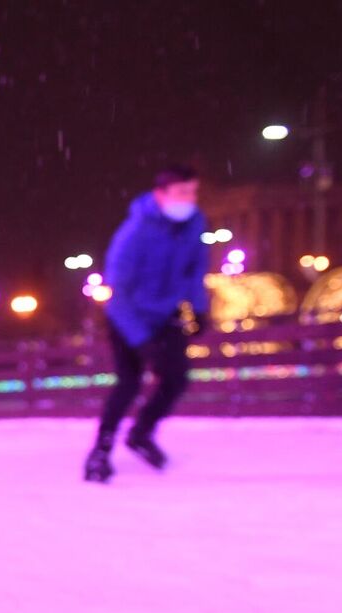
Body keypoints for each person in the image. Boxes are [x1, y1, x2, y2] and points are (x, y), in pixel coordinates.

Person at [86, 165, 212, 483]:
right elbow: (118, 294)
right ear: (161, 195)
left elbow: (194, 272)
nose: (189, 199)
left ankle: (141, 433)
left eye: (193, 191)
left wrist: (199, 308)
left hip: (166, 315)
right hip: (127, 316)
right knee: (129, 382)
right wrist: (141, 340)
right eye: (182, 192)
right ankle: (100, 451)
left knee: (177, 379)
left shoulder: (194, 226)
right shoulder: (134, 233)